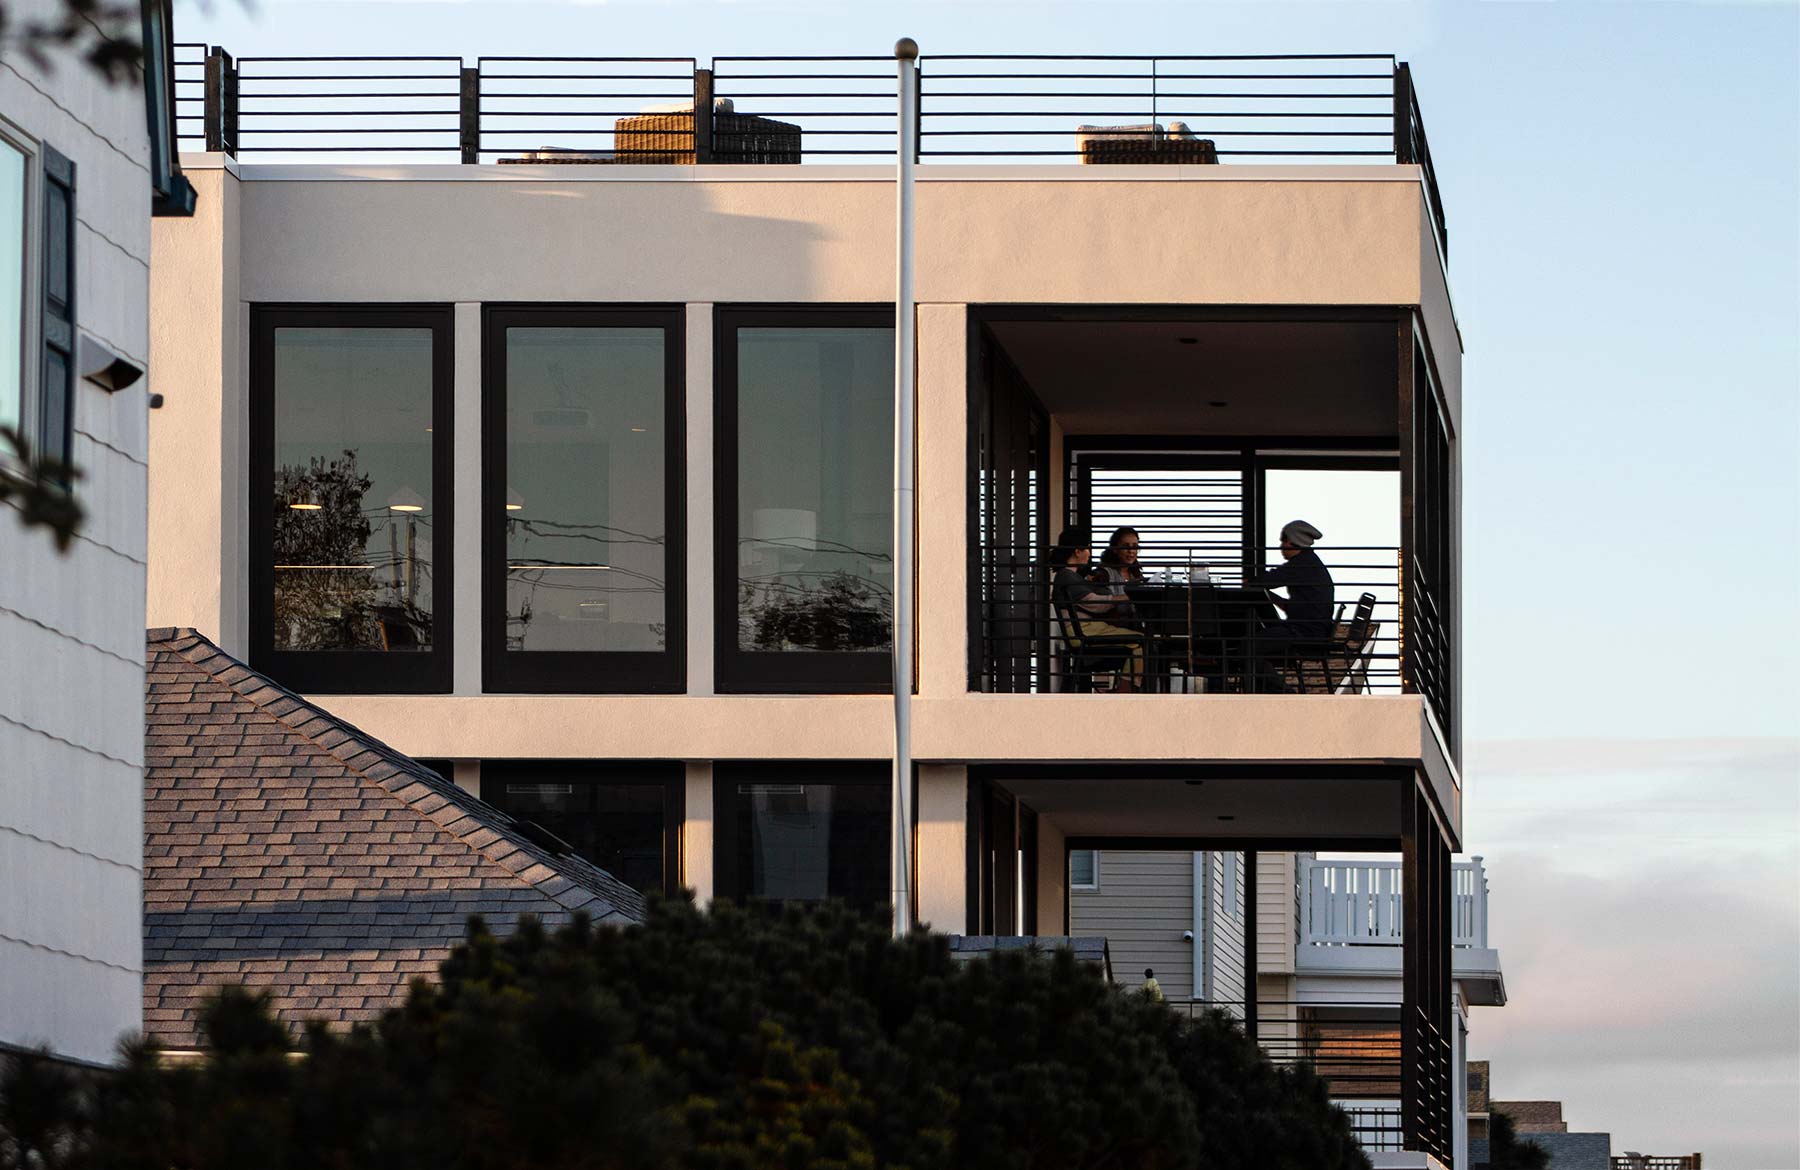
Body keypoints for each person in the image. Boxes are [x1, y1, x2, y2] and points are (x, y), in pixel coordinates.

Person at [1048, 526, 1145, 692]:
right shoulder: (1067, 576)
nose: (1090, 553)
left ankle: (1125, 690)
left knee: (1141, 641)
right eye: (1087, 548)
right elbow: (1095, 604)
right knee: (1142, 641)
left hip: (1087, 630)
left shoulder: (1070, 575)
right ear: (1078, 551)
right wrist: (1127, 596)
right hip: (1085, 632)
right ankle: (1125, 693)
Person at [1247, 520, 1335, 691]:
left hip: (1303, 633)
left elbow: (1268, 579)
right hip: (1311, 630)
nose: (1281, 546)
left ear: (1292, 541)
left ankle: (1279, 691)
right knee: (1257, 644)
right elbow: (1297, 606)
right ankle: (1269, 689)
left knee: (1248, 645)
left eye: (1283, 540)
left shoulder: (1301, 565)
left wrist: (1253, 583)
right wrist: (1268, 595)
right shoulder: (1310, 563)